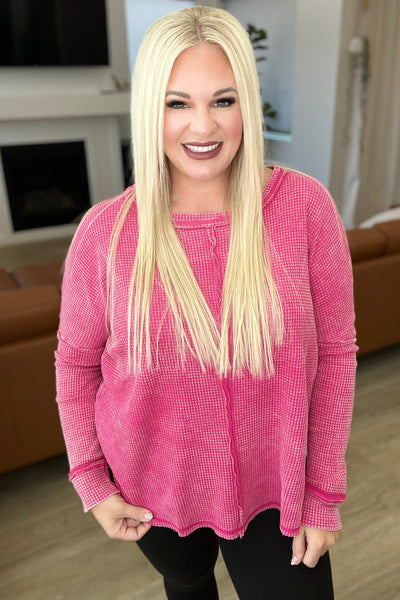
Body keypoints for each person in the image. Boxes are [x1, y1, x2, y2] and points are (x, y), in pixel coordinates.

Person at [55, 6, 357, 599]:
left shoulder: (304, 209)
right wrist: (91, 478)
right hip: (152, 489)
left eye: (223, 100)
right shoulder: (105, 232)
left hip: (277, 487)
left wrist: (323, 492)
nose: (202, 126)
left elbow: (336, 354)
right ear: (151, 108)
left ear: (248, 103)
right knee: (188, 583)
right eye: (177, 103)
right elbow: (76, 363)